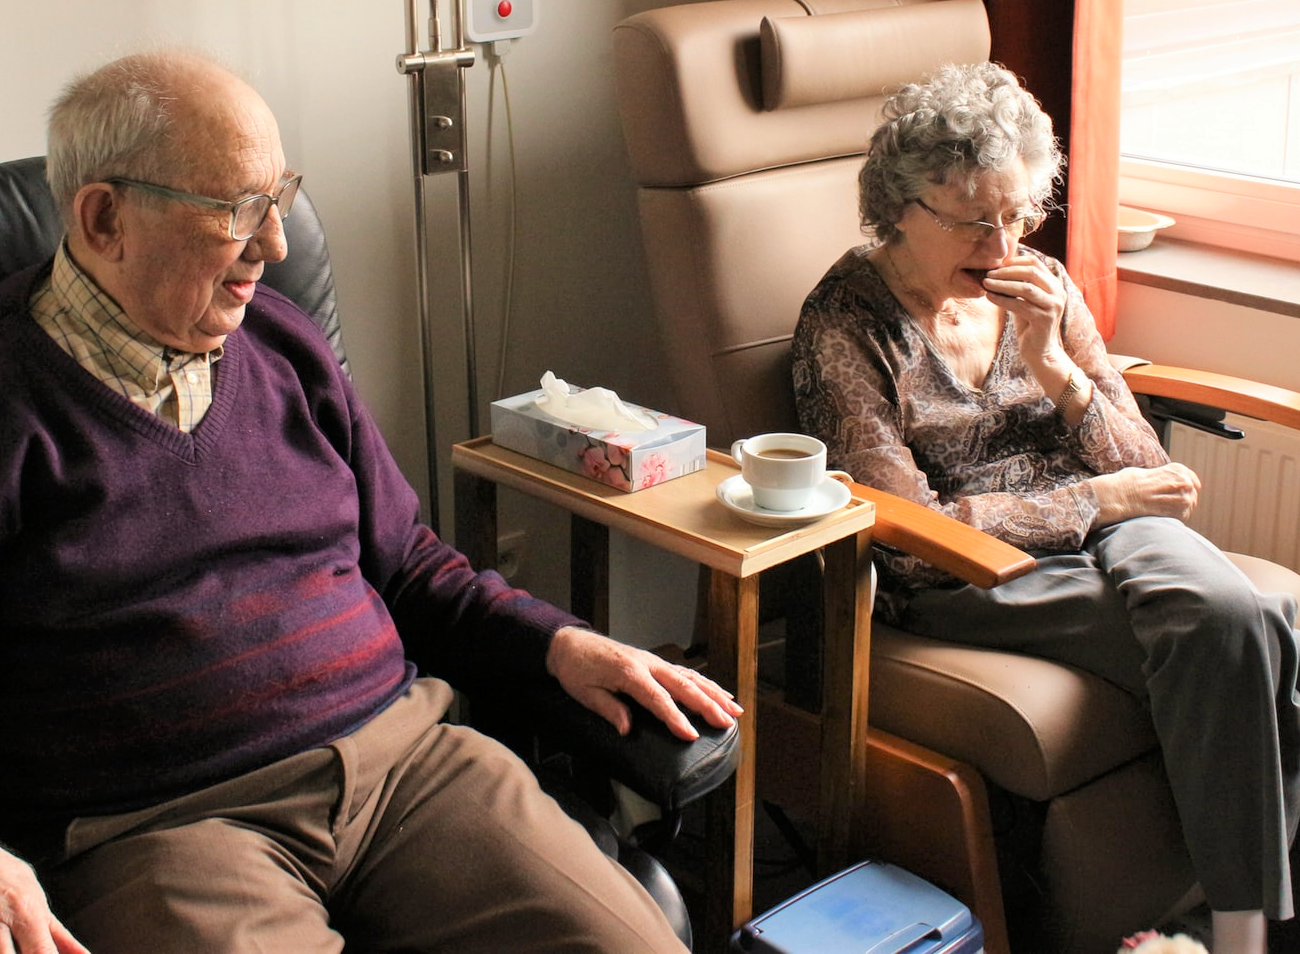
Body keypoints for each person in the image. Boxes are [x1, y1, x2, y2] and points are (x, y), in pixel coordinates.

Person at [0, 49, 741, 954]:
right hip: (165, 830)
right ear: (105, 218)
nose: (273, 245)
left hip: (408, 766)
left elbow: (411, 563)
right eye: (237, 210)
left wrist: (556, 643)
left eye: (281, 198)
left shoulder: (280, 341)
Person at [791, 61, 1299, 954]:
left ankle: (1213, 929)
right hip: (977, 569)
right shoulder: (846, 323)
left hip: (1115, 525)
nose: (1003, 243)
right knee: (1242, 622)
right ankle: (1242, 932)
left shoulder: (1043, 285)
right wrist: (1095, 498)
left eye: (1019, 214)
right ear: (901, 208)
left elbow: (1146, 465)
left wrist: (1057, 370)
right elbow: (912, 539)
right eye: (973, 221)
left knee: (1261, 610)